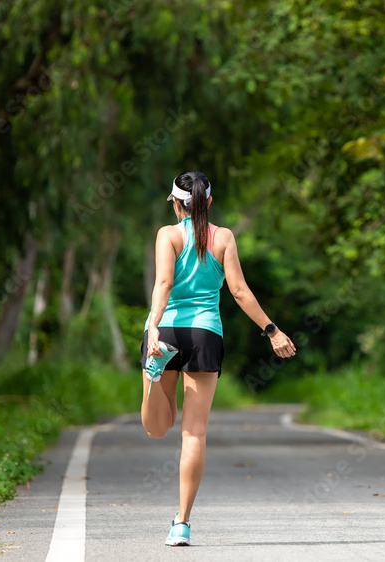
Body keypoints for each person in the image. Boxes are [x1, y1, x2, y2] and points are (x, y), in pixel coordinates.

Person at [140, 170, 296, 546]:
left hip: (165, 330)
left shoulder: (168, 235)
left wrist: (154, 328)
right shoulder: (223, 237)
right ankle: (181, 523)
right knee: (193, 433)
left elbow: (163, 283)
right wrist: (272, 330)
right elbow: (239, 291)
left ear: (176, 204)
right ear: (208, 202)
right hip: (205, 334)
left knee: (157, 427)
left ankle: (155, 372)